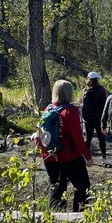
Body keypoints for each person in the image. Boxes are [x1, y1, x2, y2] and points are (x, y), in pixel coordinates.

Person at [35, 79, 93, 211]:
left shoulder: (48, 109)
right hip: (69, 156)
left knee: (56, 188)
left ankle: (55, 218)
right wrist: (87, 156)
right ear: (69, 93)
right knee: (82, 186)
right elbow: (77, 137)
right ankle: (79, 217)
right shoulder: (70, 111)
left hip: (49, 156)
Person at [80, 71, 111, 167]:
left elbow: (83, 105)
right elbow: (105, 105)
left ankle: (86, 158)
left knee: (88, 138)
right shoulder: (101, 90)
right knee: (101, 138)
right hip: (99, 118)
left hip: (88, 119)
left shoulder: (85, 91)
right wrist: (105, 119)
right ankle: (104, 158)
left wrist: (84, 117)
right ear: (97, 80)